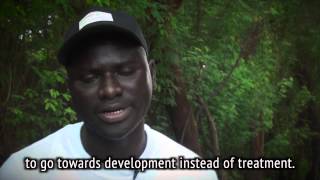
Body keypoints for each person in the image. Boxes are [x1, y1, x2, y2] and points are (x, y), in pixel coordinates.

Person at [0, 7, 218, 179]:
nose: (110, 90)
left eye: (125, 72)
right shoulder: (22, 171)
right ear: (70, 87)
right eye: (89, 78)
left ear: (152, 74)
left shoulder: (194, 174)